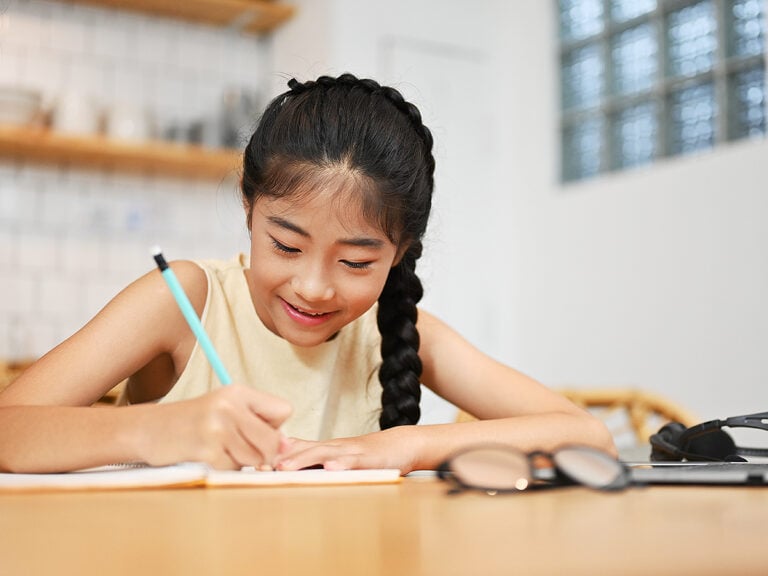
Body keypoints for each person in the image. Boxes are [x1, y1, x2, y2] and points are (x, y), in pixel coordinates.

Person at [0, 74, 615, 474]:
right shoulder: (185, 298)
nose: (315, 288)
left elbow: (587, 437)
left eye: (355, 263)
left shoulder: (394, 329)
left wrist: (401, 447)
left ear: (400, 252)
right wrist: (154, 430)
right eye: (286, 246)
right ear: (248, 203)